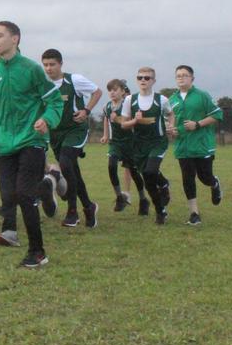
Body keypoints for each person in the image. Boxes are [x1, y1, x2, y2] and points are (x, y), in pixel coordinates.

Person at [0, 21, 63, 268]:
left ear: (15, 39)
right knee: (9, 196)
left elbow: (55, 101)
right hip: (3, 145)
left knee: (25, 194)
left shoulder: (32, 69)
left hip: (31, 141)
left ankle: (37, 252)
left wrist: (46, 119)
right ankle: (49, 186)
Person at [40, 49, 102, 228]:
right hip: (55, 133)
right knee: (72, 170)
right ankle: (89, 207)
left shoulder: (74, 80)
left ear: (60, 64)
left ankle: (72, 211)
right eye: (45, 65)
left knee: (66, 164)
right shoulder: (43, 85)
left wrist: (87, 111)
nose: (49, 68)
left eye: (52, 64)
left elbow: (97, 92)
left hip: (75, 130)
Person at [169, 65, 224, 226]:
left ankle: (214, 183)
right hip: (182, 147)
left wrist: (197, 124)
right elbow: (171, 122)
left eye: (185, 75)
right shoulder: (172, 100)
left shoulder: (202, 96)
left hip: (201, 145)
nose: (181, 78)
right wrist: (172, 130)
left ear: (192, 78)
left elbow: (217, 115)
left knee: (204, 177)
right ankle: (194, 213)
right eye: (178, 75)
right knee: (188, 178)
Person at [119, 67, 175, 225]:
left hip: (157, 142)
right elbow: (124, 124)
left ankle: (162, 188)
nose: (143, 80)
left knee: (150, 171)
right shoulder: (130, 100)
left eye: (147, 78)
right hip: (139, 144)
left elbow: (170, 114)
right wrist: (135, 121)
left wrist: (170, 126)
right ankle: (160, 209)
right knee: (148, 179)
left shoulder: (161, 100)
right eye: (140, 77)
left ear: (153, 81)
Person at [100, 79, 145, 213]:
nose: (112, 93)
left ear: (123, 91)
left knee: (134, 173)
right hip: (116, 143)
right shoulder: (107, 107)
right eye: (110, 90)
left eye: (115, 90)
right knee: (111, 166)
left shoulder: (128, 105)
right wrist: (105, 135)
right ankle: (120, 197)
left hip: (130, 143)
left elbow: (136, 121)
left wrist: (118, 119)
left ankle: (143, 199)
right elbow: (106, 119)